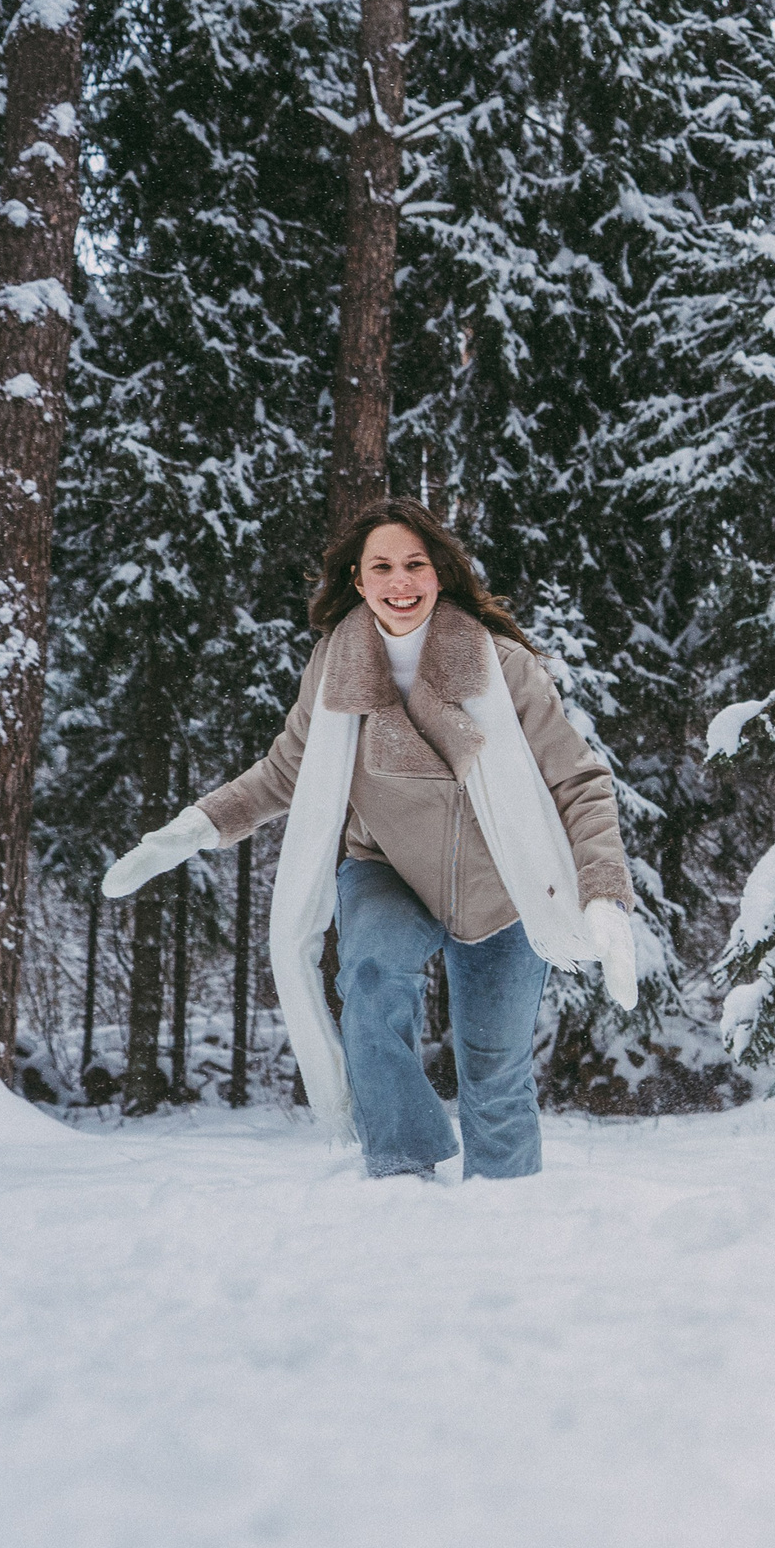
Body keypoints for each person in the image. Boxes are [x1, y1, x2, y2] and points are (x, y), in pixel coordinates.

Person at [104, 498, 639, 1179]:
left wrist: (602, 896)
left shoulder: (500, 665)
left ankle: (505, 1231)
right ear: (358, 581)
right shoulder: (337, 669)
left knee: (495, 1080)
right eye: (381, 566)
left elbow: (580, 780)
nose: (400, 580)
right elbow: (284, 771)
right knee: (369, 977)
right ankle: (402, 1174)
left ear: (439, 573)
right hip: (386, 871)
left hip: (503, 887)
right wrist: (194, 827)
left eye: (415, 563)